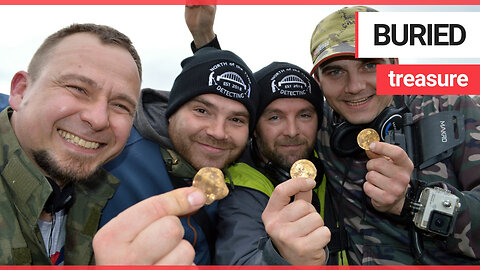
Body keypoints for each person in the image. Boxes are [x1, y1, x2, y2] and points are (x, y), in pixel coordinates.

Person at [0, 22, 210, 265]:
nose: (99, 119)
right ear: (21, 91)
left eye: (120, 105)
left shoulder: (93, 193)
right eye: (77, 88)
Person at [309, 5, 480, 264]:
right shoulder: (315, 127)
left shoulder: (449, 107)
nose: (355, 87)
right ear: (319, 83)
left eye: (369, 65)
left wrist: (415, 201)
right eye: (335, 71)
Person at [99, 9, 259, 266]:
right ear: (171, 111)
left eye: (236, 119)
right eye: (201, 111)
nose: (218, 132)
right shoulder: (110, 154)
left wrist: (205, 39)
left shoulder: (242, 167)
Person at [215, 62, 341, 265]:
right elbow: (241, 259)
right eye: (275, 117)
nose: (292, 131)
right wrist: (281, 257)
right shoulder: (237, 187)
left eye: (304, 115)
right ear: (254, 128)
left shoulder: (336, 160)